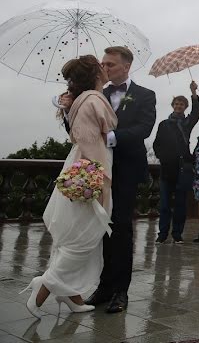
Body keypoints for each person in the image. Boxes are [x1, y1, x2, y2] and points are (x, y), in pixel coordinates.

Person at [60, 46, 156, 314]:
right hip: (97, 169)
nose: (104, 68)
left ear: (126, 66)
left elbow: (143, 129)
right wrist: (68, 111)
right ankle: (104, 288)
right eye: (102, 64)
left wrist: (111, 138)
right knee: (101, 228)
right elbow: (77, 131)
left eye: (110, 64)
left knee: (121, 228)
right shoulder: (94, 94)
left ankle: (120, 292)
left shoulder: (145, 95)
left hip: (125, 170)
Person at [22, 56, 116, 317]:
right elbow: (89, 143)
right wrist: (98, 181)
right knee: (84, 238)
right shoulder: (94, 100)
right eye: (102, 65)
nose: (106, 68)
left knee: (75, 237)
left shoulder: (83, 100)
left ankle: (71, 298)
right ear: (95, 73)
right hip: (88, 170)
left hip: (78, 166)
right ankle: (45, 285)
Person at [152, 82, 199, 244]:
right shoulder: (163, 124)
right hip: (167, 168)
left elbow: (196, 114)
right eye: (176, 104)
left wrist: (193, 93)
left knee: (180, 204)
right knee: (165, 204)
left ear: (185, 107)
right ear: (172, 106)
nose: (179, 106)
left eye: (182, 104)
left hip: (183, 168)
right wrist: (163, 157)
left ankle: (177, 234)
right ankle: (162, 234)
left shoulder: (187, 123)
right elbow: (156, 144)